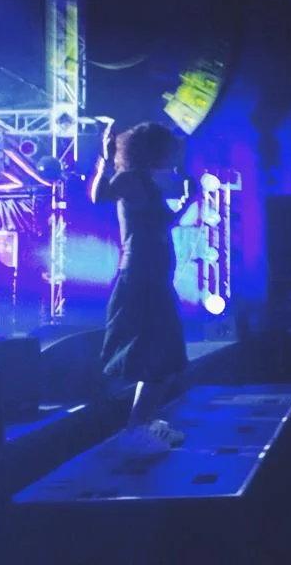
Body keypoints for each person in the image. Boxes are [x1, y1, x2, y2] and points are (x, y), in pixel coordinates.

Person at [90, 120, 195, 452]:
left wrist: (187, 204)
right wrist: (104, 158)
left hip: (154, 277)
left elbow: (161, 224)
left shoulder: (146, 182)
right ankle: (135, 428)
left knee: (165, 360)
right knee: (157, 357)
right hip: (141, 278)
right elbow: (99, 196)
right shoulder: (131, 180)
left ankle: (139, 426)